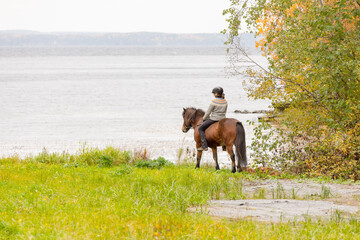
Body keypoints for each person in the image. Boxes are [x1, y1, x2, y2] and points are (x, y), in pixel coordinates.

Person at [198, 87, 228, 151]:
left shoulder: (214, 101)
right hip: (223, 119)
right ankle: (224, 146)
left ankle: (204, 146)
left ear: (216, 94)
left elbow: (208, 112)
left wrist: (204, 119)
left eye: (214, 93)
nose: (213, 94)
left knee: (200, 128)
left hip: (214, 119)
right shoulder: (225, 101)